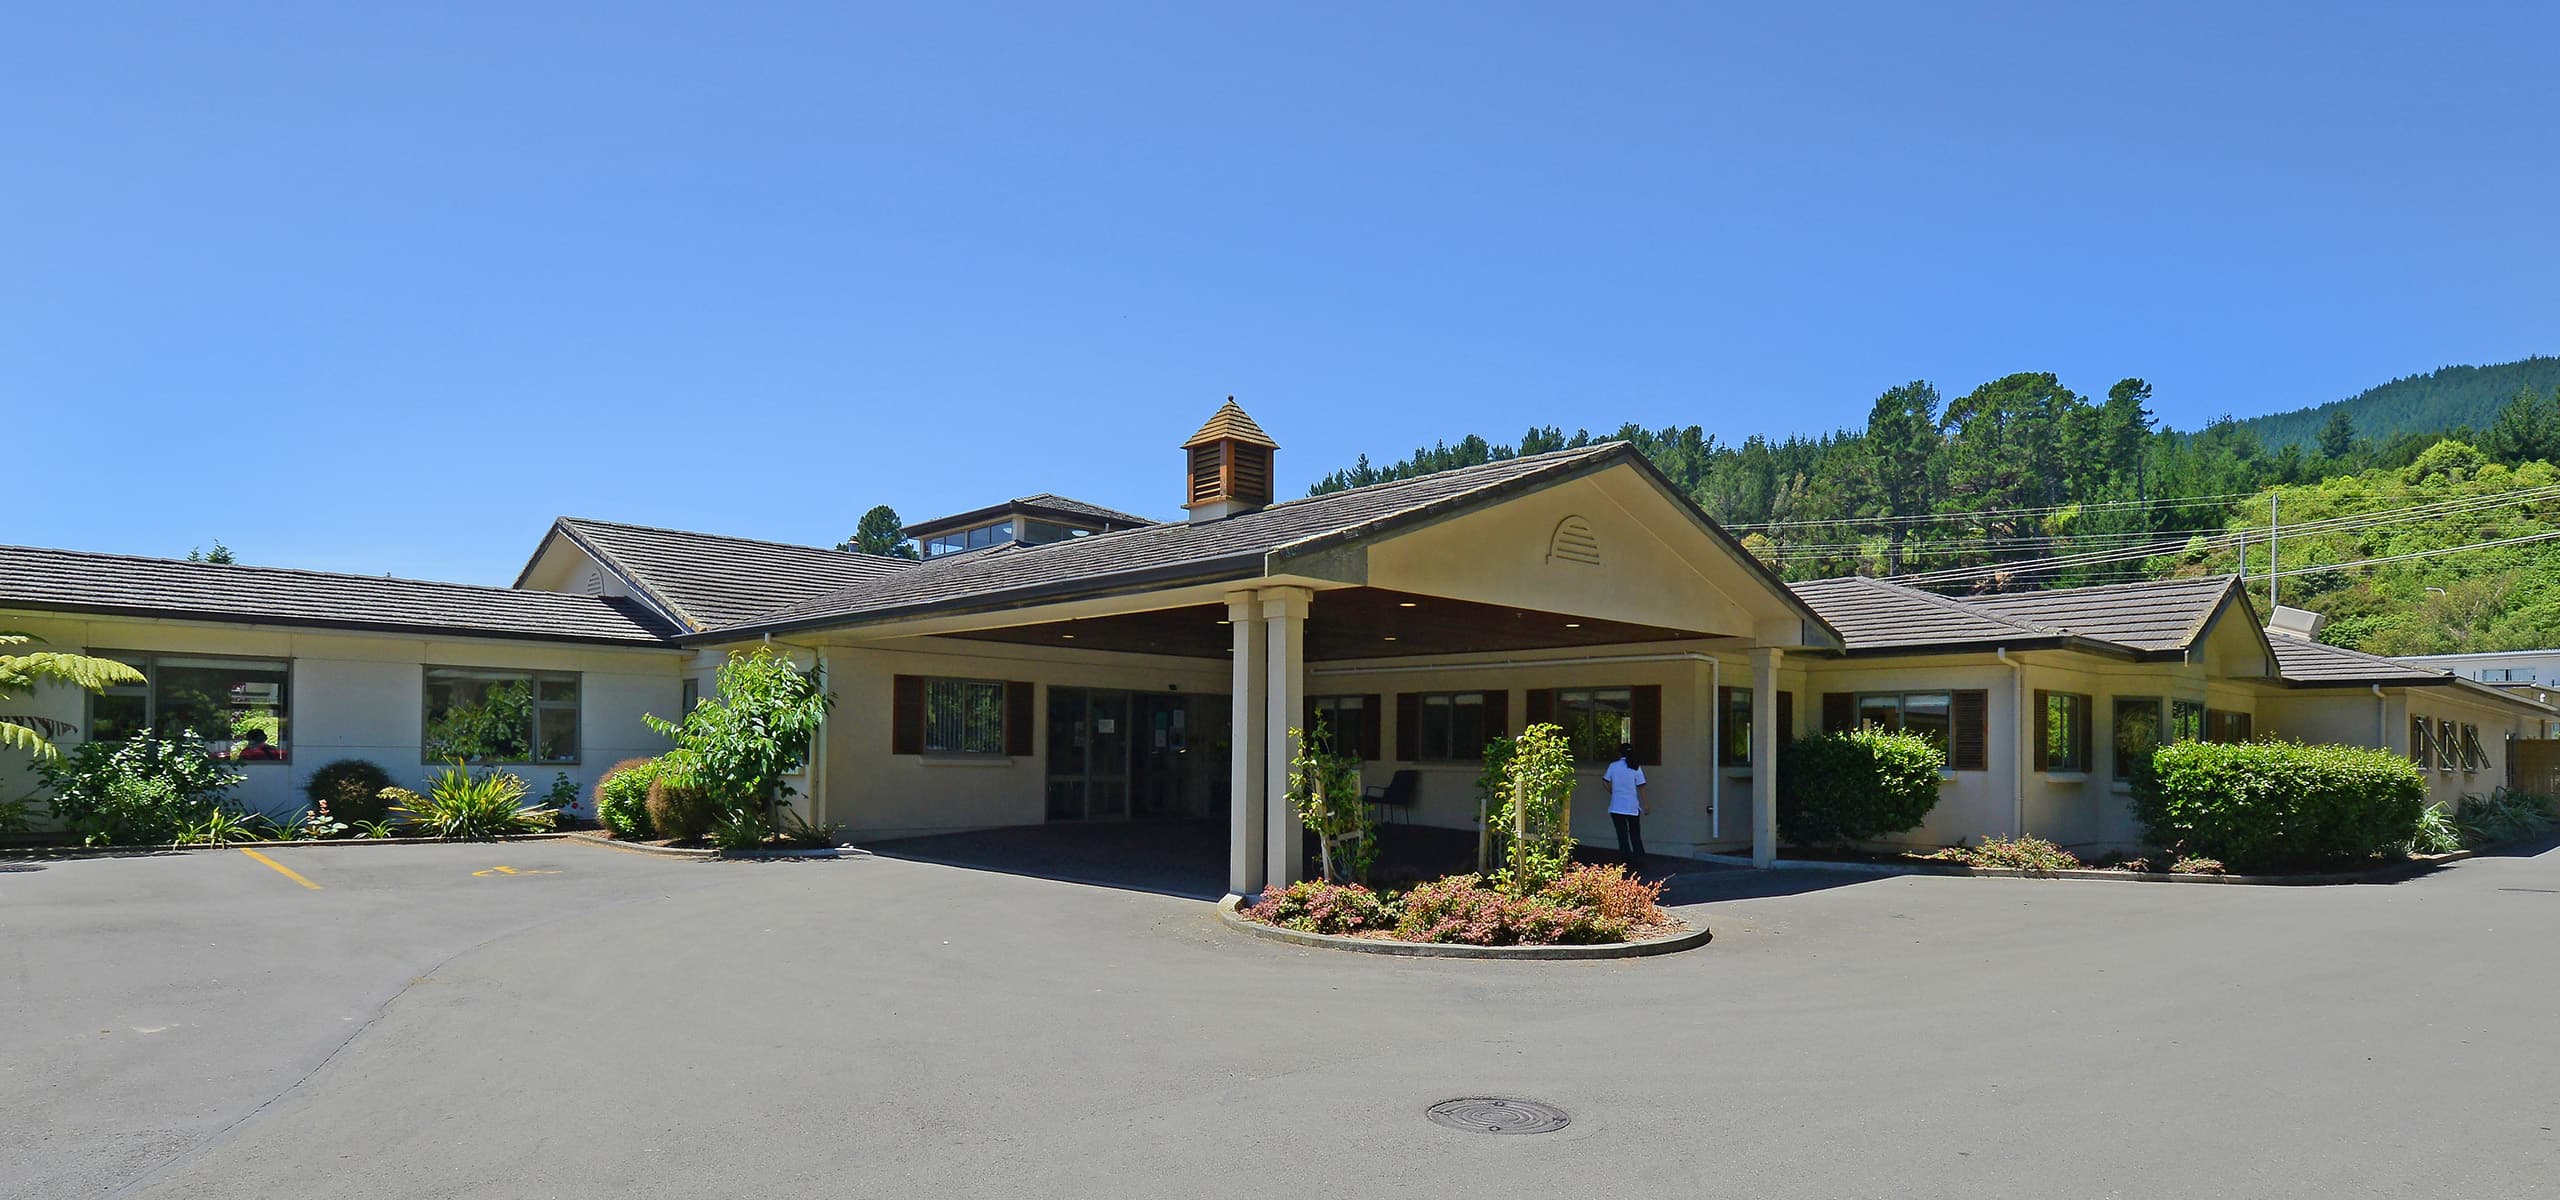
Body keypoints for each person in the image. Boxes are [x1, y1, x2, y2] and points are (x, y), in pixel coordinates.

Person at [1603, 742, 1646, 869]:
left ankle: (1625, 859)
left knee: (1622, 834)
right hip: (1632, 806)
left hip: (1617, 805)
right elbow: (1641, 786)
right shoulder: (1635, 766)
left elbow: (1605, 781)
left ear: (1620, 753)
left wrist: (1612, 791)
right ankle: (1639, 857)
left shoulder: (1613, 766)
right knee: (1635, 833)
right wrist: (1646, 804)